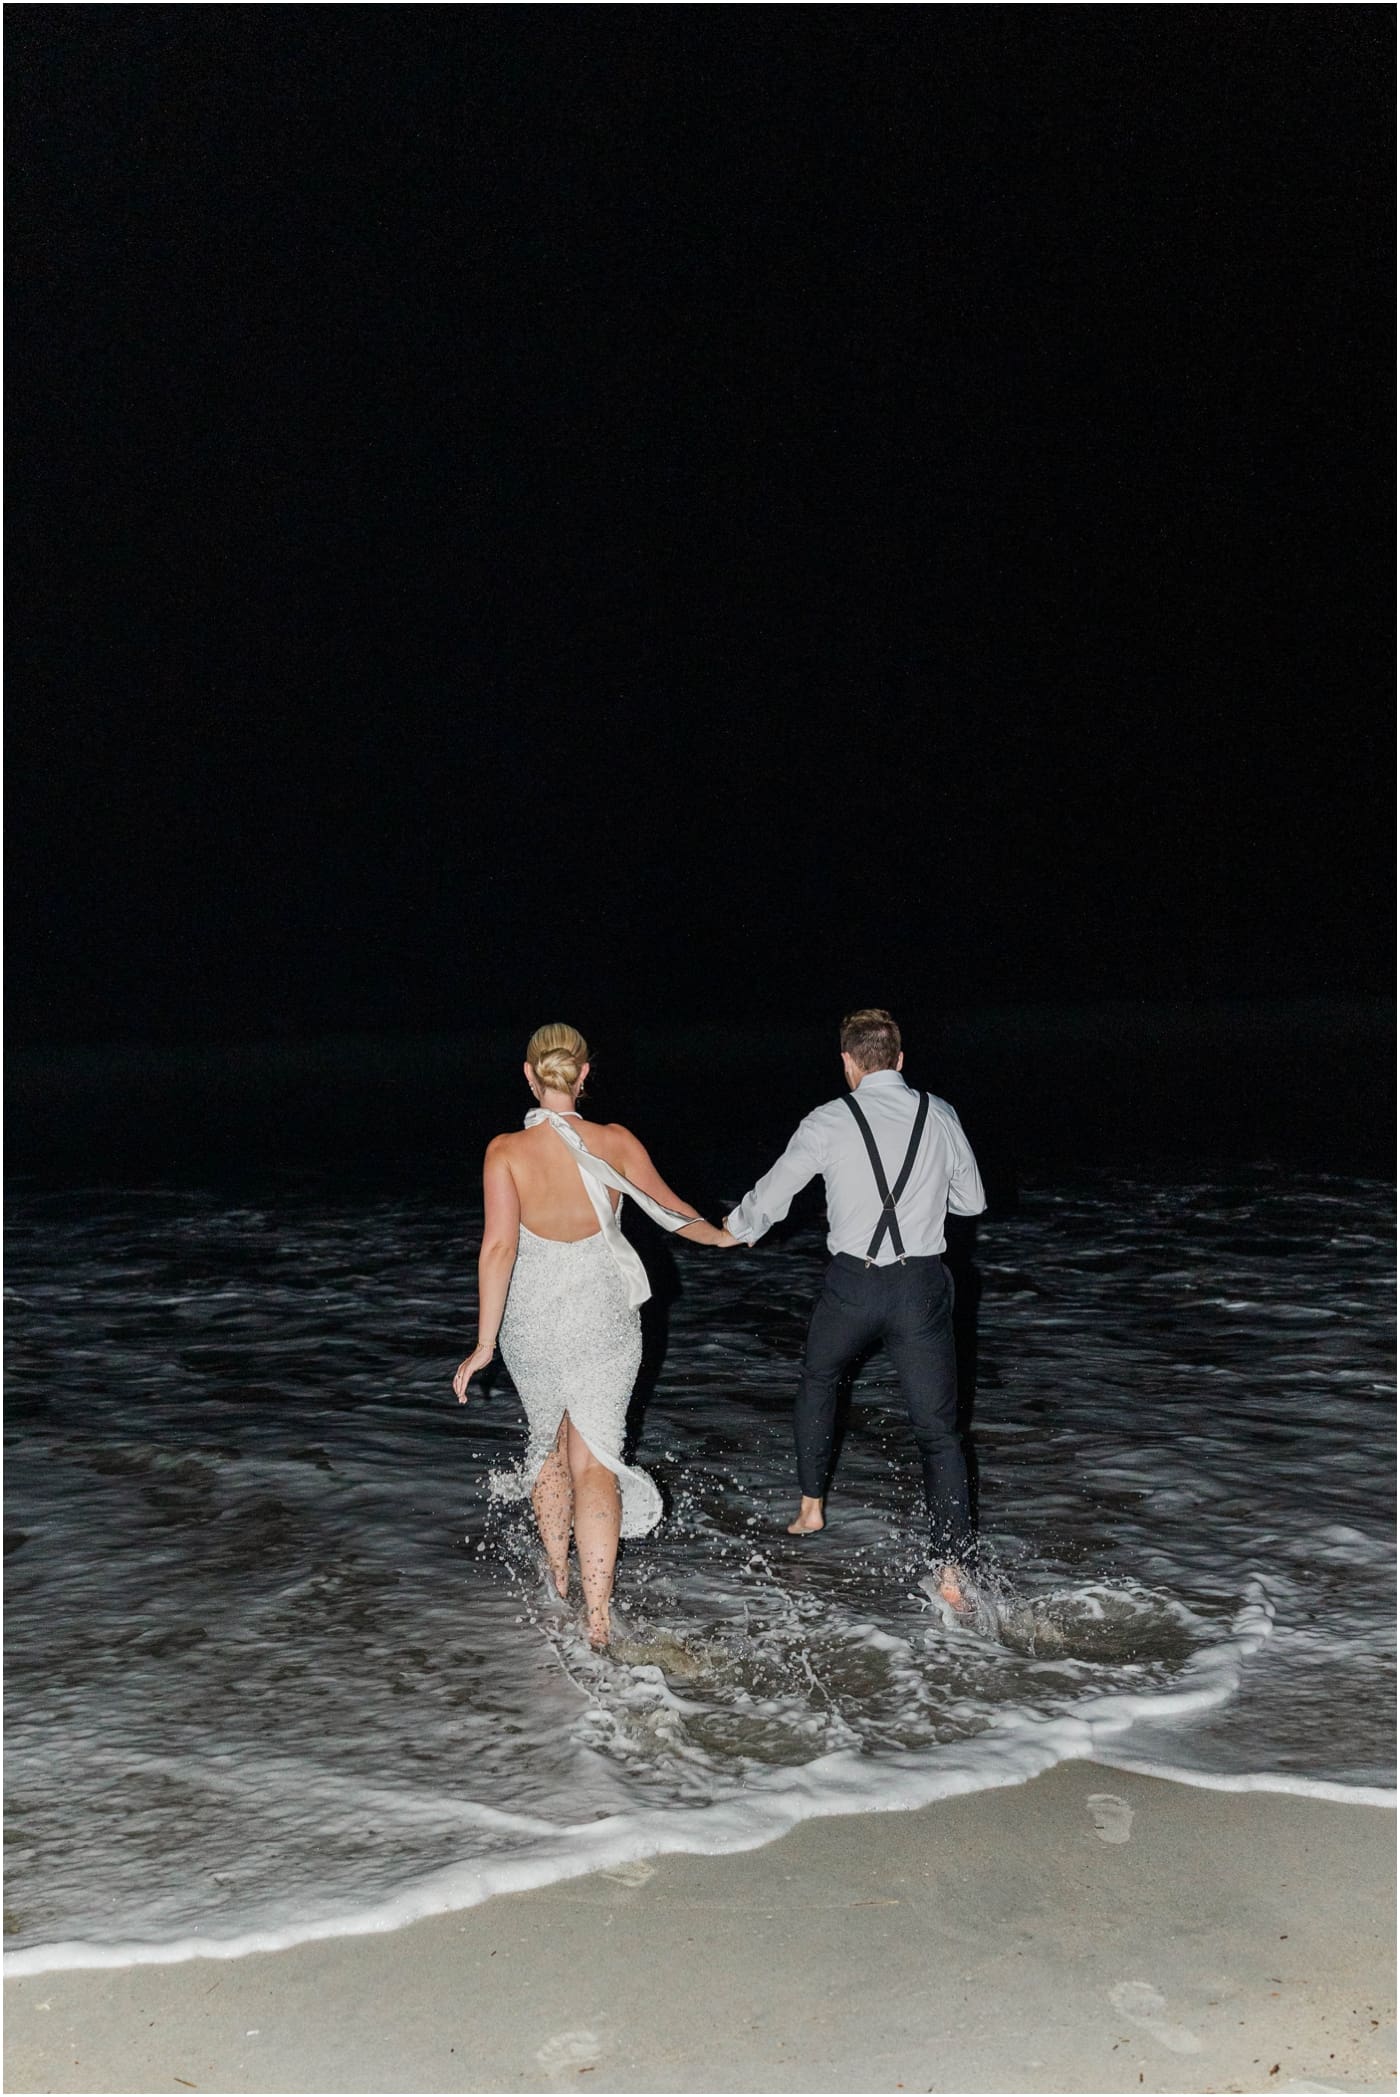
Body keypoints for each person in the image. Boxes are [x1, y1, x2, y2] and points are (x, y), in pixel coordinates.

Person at [453, 1023, 735, 1649]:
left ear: (529, 1075)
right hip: (603, 1314)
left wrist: (484, 1344)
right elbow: (674, 1214)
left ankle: (557, 1577)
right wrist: (726, 1234)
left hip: (533, 1316)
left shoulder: (505, 1150)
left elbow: (498, 1248)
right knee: (596, 1461)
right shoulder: (616, 1142)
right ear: (584, 1075)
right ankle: (599, 1620)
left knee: (547, 1445)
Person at [722, 1008, 986, 1607]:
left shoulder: (827, 1121)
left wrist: (734, 1228)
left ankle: (811, 1505)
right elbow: (972, 1202)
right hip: (918, 1288)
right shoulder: (938, 1114)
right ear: (899, 1059)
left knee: (819, 1377)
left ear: (847, 1063)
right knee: (939, 1435)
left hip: (851, 1287)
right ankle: (950, 1574)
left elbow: (773, 1195)